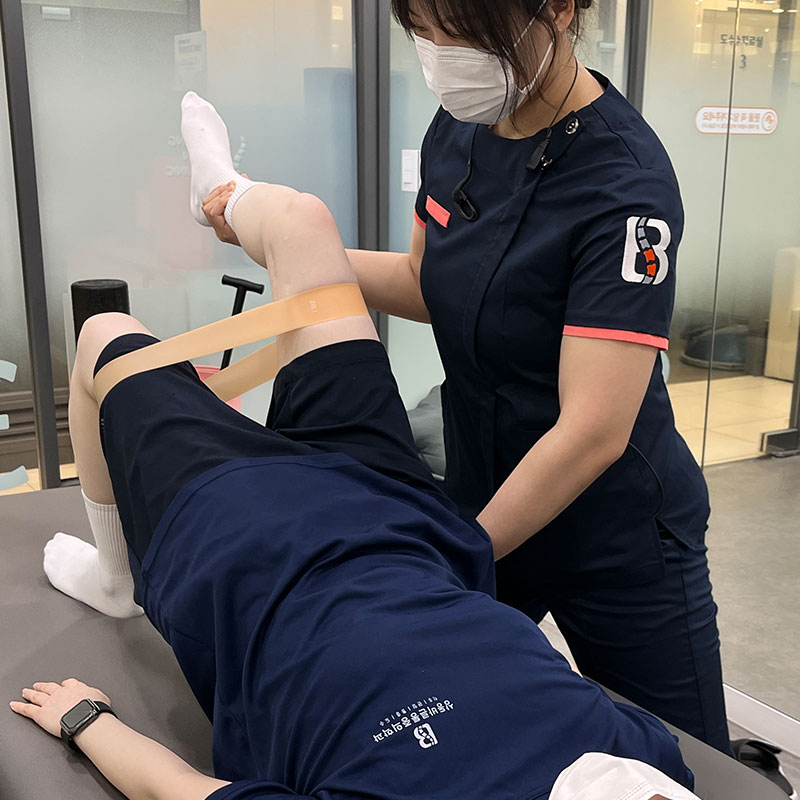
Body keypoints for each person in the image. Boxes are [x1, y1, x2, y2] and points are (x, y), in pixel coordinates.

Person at [10, 92, 694, 800]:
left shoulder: (625, 182)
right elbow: (426, 279)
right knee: (303, 222)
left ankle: (117, 581)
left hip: (244, 541)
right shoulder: (645, 759)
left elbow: (178, 789)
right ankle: (223, 192)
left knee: (104, 337)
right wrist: (443, 554)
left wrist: (85, 720)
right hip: (400, 512)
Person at [303, 0, 728, 753]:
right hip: (486, 495)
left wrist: (458, 555)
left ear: (557, 9)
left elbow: (592, 431)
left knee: (680, 764)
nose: (440, 54)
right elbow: (423, 282)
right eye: (423, 32)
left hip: (615, 538)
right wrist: (290, 244)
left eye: (462, 31)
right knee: (446, 727)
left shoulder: (626, 186)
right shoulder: (456, 129)